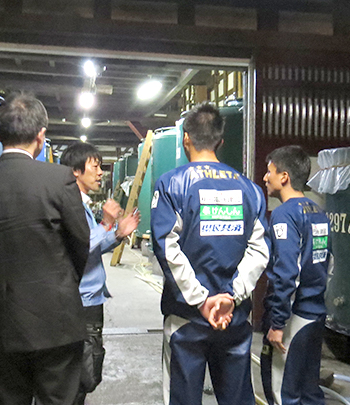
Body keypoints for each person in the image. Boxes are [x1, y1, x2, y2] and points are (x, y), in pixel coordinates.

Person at [0, 93, 90, 405]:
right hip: (57, 321)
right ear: (41, 136)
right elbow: (80, 242)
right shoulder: (59, 179)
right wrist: (61, 283)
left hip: (1, 321)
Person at [150, 103, 270, 405]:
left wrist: (201, 300)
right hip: (234, 318)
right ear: (220, 141)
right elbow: (260, 251)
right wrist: (231, 296)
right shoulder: (250, 189)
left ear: (185, 138)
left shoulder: (171, 184)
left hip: (186, 320)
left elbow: (166, 247)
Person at [60, 142, 140, 405]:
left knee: (87, 370)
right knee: (80, 371)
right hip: (80, 301)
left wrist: (118, 234)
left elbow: (91, 249)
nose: (100, 173)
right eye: (94, 167)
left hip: (90, 298)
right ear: (76, 171)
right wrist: (106, 223)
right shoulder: (69, 205)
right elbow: (80, 243)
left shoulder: (81, 204)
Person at [260, 145, 330, 405]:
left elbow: (287, 273)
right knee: (309, 391)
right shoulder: (319, 212)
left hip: (294, 318)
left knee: (283, 393)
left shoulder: (284, 214)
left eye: (269, 172)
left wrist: (278, 323)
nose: (265, 177)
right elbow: (328, 263)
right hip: (315, 314)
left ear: (284, 177)